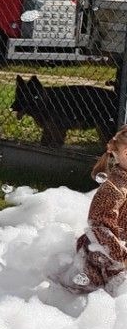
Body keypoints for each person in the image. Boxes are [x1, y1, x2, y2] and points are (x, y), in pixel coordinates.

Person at [56, 125, 127, 295]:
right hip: (103, 259)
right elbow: (99, 228)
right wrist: (123, 256)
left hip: (117, 253)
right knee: (99, 299)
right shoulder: (112, 189)